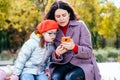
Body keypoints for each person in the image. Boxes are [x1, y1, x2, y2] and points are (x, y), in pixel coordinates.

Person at [44, 1, 101, 80]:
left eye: (64, 15)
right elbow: (49, 57)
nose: (61, 18)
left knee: (69, 78)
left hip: (82, 64)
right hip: (62, 64)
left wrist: (74, 47)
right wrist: (57, 53)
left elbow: (88, 52)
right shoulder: (52, 31)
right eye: (58, 16)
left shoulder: (80, 26)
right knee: (55, 77)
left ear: (69, 14)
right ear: (54, 18)